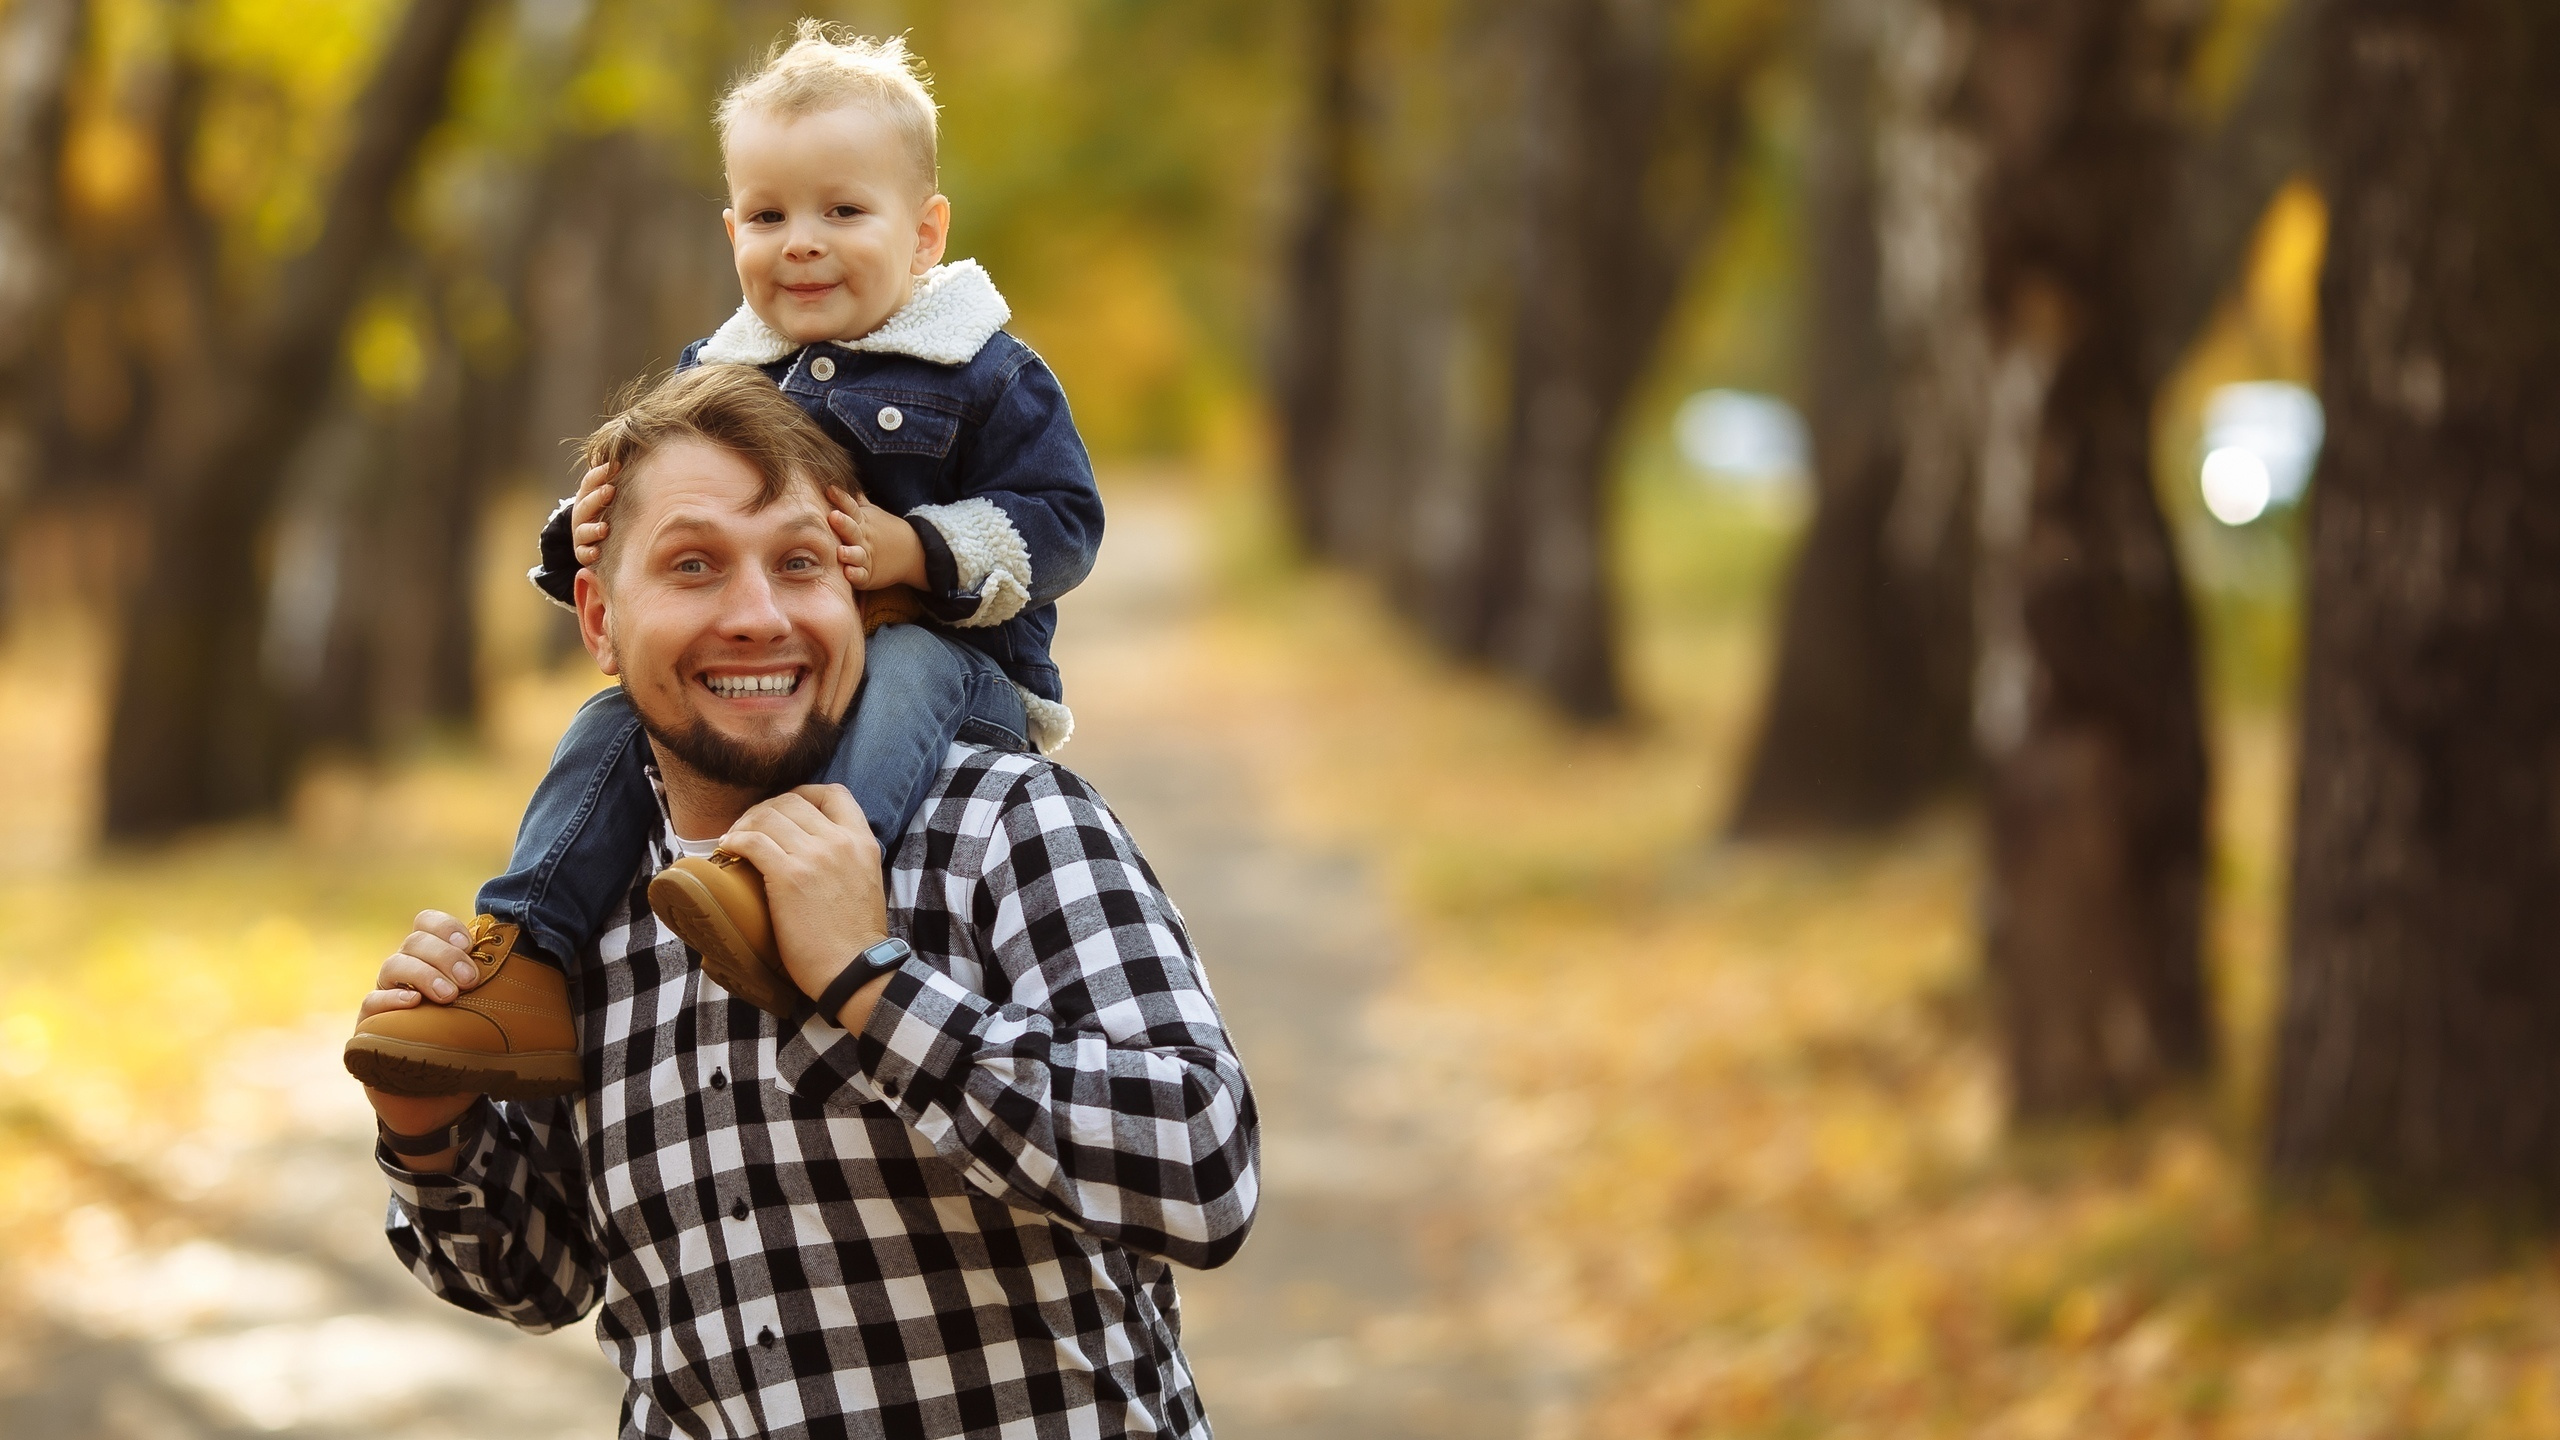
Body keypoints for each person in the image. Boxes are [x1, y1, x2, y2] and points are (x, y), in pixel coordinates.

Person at [355, 364, 1257, 1439]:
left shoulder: (1003, 823)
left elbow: (1204, 1169)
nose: (756, 615)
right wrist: (427, 1136)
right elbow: (538, 1281)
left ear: (861, 599)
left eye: (799, 563)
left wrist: (874, 985)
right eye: (693, 566)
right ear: (597, 618)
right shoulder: (575, 912)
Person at [344, 22, 1102, 1099]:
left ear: (925, 233)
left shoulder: (982, 367)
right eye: (768, 215)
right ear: (730, 229)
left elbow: (1065, 519)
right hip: (790, 681)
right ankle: (528, 953)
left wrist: (922, 547)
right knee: (608, 724)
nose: (801, 242)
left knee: (906, 666)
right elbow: (654, 505)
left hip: (953, 669)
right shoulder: (723, 368)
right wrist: (585, 530)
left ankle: (797, 874)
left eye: (843, 211)